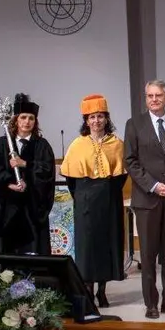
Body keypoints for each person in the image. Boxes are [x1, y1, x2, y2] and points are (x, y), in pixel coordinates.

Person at [124, 80, 165, 319]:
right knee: (149, 254)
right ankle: (151, 303)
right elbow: (130, 161)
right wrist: (153, 186)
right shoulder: (134, 125)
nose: (153, 99)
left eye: (158, 95)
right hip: (147, 199)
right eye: (149, 96)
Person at [61, 94, 127, 307]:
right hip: (85, 201)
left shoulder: (117, 144)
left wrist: (107, 191)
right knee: (87, 247)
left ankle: (103, 290)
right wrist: (84, 196)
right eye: (92, 117)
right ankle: (87, 289)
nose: (96, 121)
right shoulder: (77, 145)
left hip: (109, 201)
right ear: (86, 120)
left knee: (108, 244)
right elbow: (71, 180)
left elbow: (121, 176)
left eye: (100, 116)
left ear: (106, 119)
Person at [0, 93, 55, 255]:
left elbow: (47, 172)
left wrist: (25, 165)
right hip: (7, 210)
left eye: (31, 118)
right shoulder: (1, 145)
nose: (27, 122)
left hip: (32, 210)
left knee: (32, 255)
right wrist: (9, 183)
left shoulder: (42, 146)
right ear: (16, 120)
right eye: (23, 117)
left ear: (35, 122)